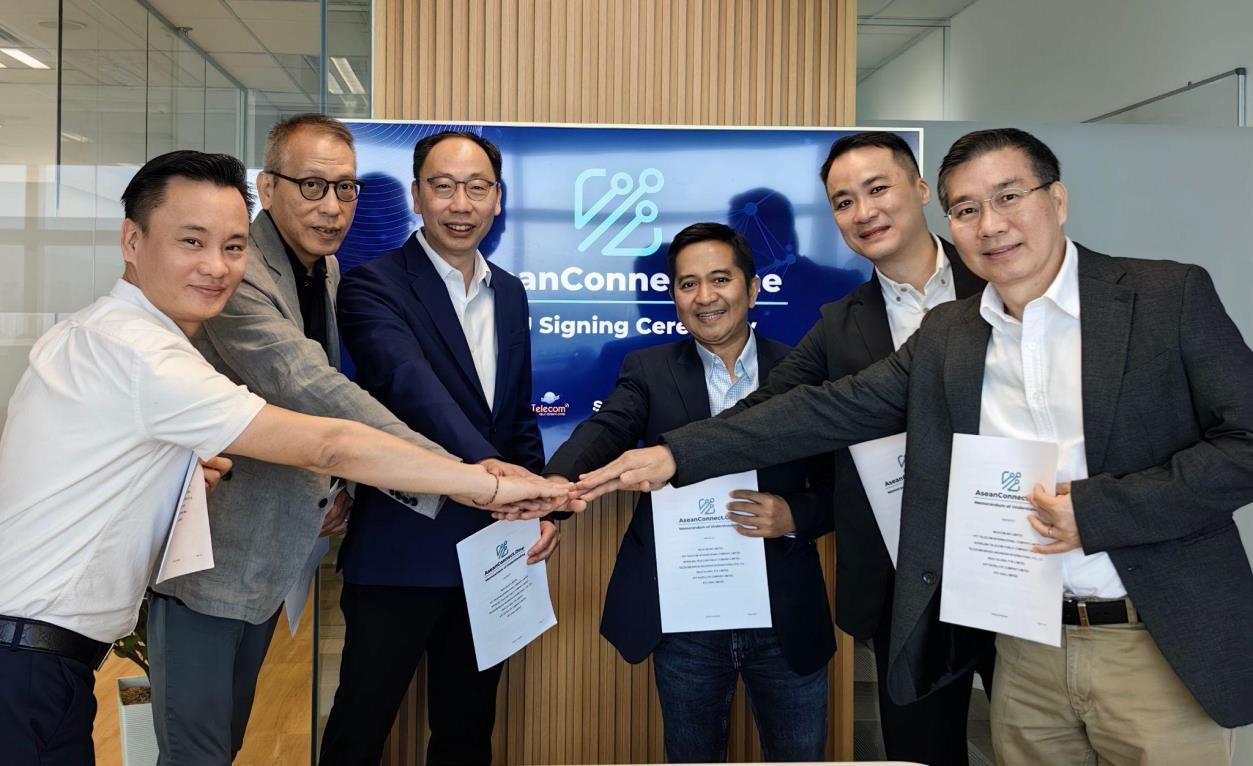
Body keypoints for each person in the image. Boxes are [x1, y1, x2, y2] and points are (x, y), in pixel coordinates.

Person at [573, 128, 1253, 764]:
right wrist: (675, 455)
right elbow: (818, 409)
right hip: (1018, 634)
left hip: (1148, 631)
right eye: (968, 210)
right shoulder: (950, 333)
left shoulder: (1164, 296)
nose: (989, 225)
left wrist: (1098, 511)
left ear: (1057, 199)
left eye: (1007, 198)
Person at [0, 149, 569, 765]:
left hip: (50, 656)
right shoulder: (142, 353)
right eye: (191, 242)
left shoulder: (126, 337)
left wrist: (181, 470)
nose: (217, 267)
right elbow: (329, 436)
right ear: (131, 241)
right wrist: (483, 483)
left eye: (234, 248)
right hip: (26, 655)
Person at [144, 115, 460, 765]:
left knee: (228, 739)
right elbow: (305, 384)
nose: (332, 207)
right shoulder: (237, 269)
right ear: (267, 187)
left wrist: (338, 482)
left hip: (268, 552)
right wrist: (454, 471)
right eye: (312, 185)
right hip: (206, 558)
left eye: (346, 189)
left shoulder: (326, 269)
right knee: (197, 753)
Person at [723, 131, 990, 765]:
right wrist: (665, 455)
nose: (863, 212)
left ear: (920, 190)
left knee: (1033, 741)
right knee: (921, 752)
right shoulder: (839, 322)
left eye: (877, 189)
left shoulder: (1000, 278)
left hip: (1013, 558)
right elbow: (768, 409)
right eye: (843, 202)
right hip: (906, 584)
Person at [545, 222, 835, 762]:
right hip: (685, 618)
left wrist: (795, 514)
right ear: (674, 296)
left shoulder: (801, 370)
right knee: (690, 755)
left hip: (784, 614)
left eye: (720, 279)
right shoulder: (648, 369)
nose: (705, 297)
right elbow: (603, 431)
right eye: (687, 284)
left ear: (752, 288)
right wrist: (552, 493)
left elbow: (842, 485)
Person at [319, 130, 556, 765]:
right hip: (401, 549)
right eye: (444, 186)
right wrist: (499, 481)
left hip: (493, 550)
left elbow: (517, 414)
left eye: (477, 188)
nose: (461, 204)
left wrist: (540, 504)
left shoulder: (510, 291)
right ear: (418, 195)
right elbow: (412, 389)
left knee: (467, 732)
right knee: (359, 729)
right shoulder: (373, 285)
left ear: (498, 199)